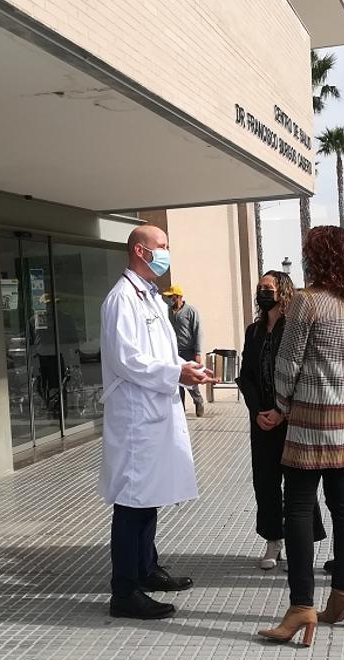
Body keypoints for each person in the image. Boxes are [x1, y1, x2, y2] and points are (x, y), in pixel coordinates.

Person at [257, 226, 344, 647]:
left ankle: (300, 606)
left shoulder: (307, 303)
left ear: (319, 258)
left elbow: (286, 365)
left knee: (299, 508)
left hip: (314, 415)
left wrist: (281, 407)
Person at [98, 225, 214, 620]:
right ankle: (124, 591)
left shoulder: (149, 297)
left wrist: (185, 367)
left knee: (150, 498)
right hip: (136, 418)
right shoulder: (121, 299)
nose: (167, 252)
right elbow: (127, 360)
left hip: (155, 410)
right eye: (161, 246)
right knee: (133, 502)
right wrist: (176, 374)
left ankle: (146, 569)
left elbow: (159, 352)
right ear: (140, 251)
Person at [236, 271, 325, 571]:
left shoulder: (295, 328)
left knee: (298, 483)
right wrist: (257, 410)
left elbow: (303, 372)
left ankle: (303, 544)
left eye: (268, 288)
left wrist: (281, 410)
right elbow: (245, 374)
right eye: (260, 287)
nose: (263, 292)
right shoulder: (254, 331)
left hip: (292, 418)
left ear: (283, 291)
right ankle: (273, 540)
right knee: (265, 482)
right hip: (261, 420)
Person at [163, 285, 205, 418]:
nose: (171, 299)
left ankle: (198, 401)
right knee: (177, 380)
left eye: (172, 296)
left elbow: (197, 331)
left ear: (179, 296)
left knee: (191, 379)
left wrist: (197, 352)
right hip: (174, 352)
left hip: (188, 350)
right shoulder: (168, 312)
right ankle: (180, 408)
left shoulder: (190, 311)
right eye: (169, 297)